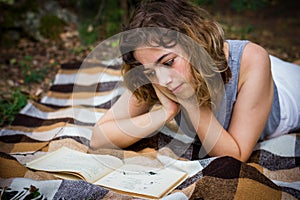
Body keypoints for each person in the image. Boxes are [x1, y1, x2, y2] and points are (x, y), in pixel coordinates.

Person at [90, 0, 300, 162]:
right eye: (151, 71)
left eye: (169, 62)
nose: (164, 81)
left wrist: (191, 103)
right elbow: (99, 138)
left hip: (287, 91)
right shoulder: (155, 74)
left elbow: (235, 156)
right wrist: (165, 113)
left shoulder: (251, 59)